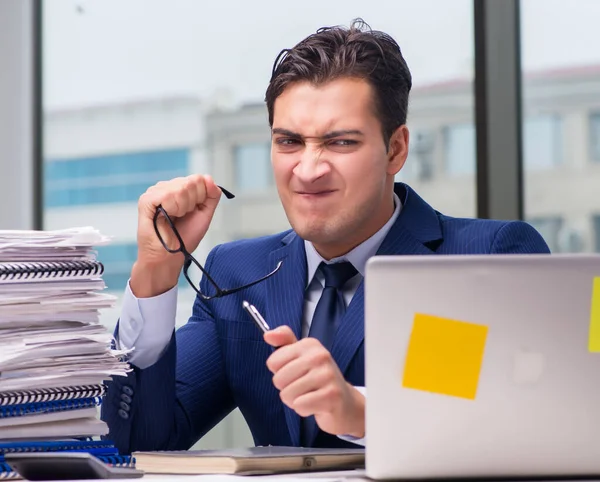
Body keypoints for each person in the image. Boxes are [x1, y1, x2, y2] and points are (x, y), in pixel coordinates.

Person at [101, 18, 550, 454]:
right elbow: (140, 443)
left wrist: (361, 411)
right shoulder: (239, 273)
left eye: (340, 143)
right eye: (289, 142)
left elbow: (520, 424)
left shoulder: (483, 258)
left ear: (395, 149)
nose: (309, 170)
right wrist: (157, 274)